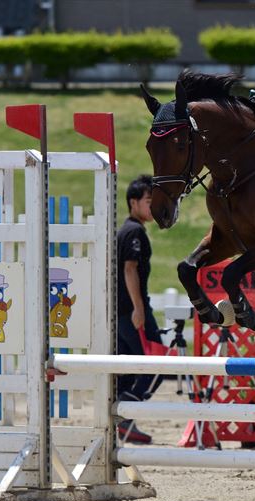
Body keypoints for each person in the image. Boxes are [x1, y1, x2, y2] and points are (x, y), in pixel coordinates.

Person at [116, 175, 163, 444]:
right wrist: (138, 308)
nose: (153, 206)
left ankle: (123, 419)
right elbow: (129, 269)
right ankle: (123, 415)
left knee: (129, 367)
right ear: (134, 203)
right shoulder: (134, 232)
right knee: (155, 363)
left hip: (121, 311)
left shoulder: (127, 229)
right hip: (132, 309)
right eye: (149, 201)